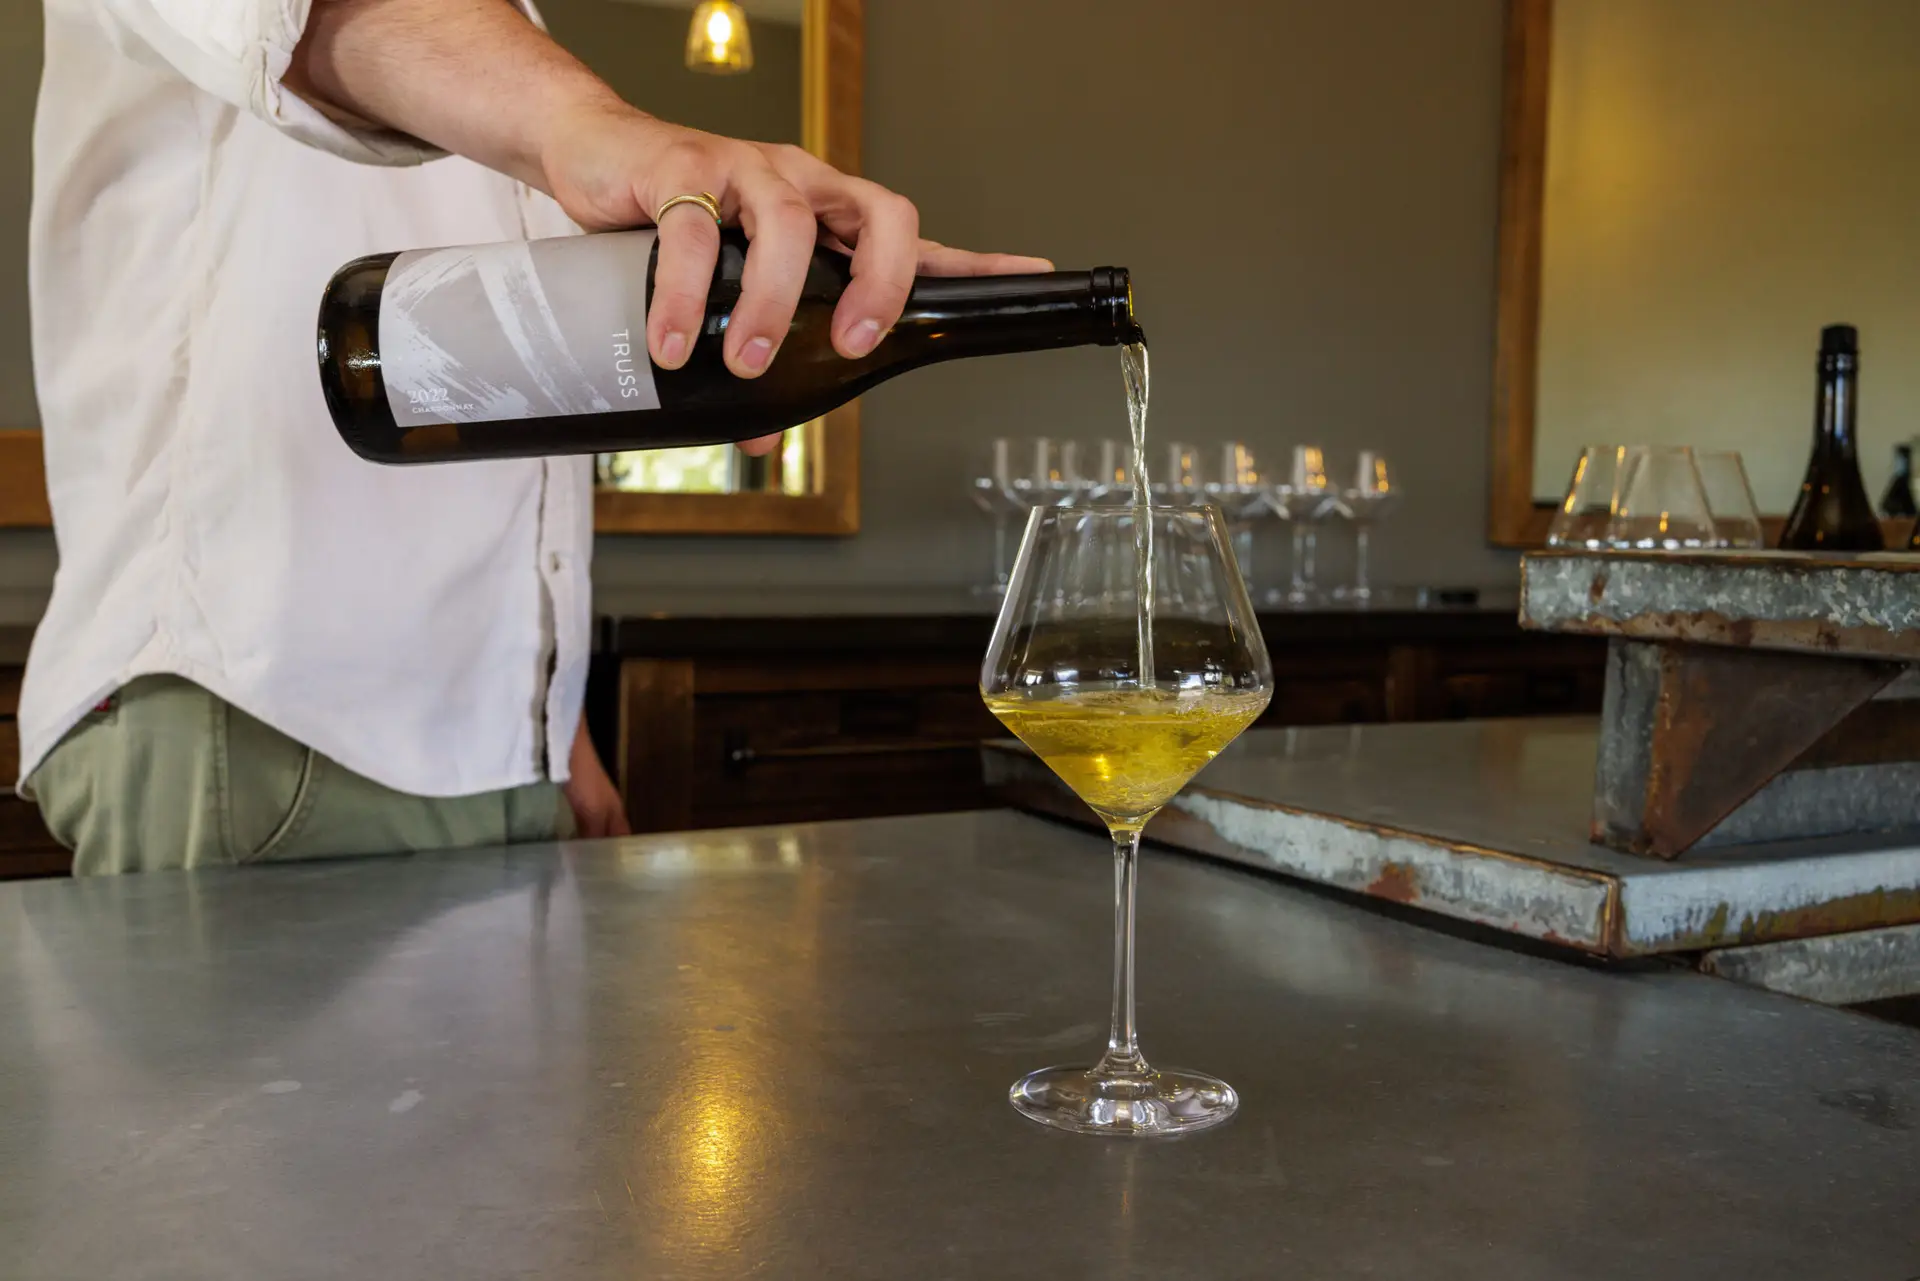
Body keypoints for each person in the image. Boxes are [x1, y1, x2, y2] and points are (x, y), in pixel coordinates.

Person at [22, 0, 1046, 875]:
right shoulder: (503, 64)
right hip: (255, 722)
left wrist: (548, 727)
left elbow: (506, 407)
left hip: (503, 759)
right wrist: (597, 128)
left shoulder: (513, 29)